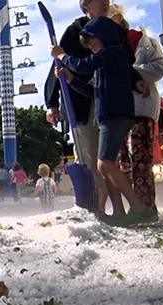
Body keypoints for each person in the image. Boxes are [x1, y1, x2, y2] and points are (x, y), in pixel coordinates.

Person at [44, 0, 148, 213]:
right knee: (93, 159)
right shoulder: (75, 31)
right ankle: (105, 208)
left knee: (106, 161)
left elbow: (123, 64)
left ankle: (124, 208)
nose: (106, 2)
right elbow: (58, 65)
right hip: (85, 104)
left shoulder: (114, 33)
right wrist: (52, 102)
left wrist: (136, 80)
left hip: (110, 106)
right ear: (86, 6)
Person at [109, 3, 163, 220]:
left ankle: (146, 208)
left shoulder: (144, 42)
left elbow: (159, 68)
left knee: (141, 159)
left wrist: (130, 73)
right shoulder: (107, 47)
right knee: (124, 161)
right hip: (118, 109)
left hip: (141, 108)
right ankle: (136, 207)